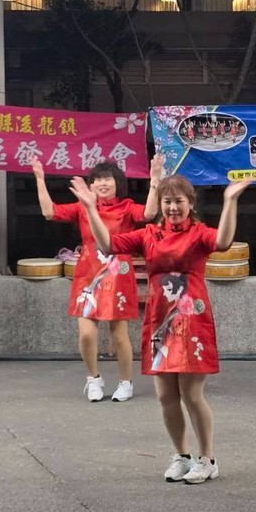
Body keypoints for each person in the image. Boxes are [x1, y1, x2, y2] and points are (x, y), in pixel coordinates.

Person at [70, 170, 251, 484]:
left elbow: (223, 242)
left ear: (190, 203)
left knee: (192, 394)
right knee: (166, 395)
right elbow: (108, 244)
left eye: (178, 201)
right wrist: (89, 207)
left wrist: (230, 201)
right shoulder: (149, 234)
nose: (172, 207)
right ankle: (181, 456)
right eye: (167, 201)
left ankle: (207, 459)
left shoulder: (199, 233)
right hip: (160, 321)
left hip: (191, 321)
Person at [32, 154, 160, 403]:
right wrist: (39, 178)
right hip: (87, 275)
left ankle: (126, 382)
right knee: (86, 335)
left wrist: (154, 180)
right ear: (90, 186)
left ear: (117, 183)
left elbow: (149, 213)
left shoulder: (126, 207)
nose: (102, 183)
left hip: (117, 276)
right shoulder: (83, 207)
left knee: (119, 335)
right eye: (97, 179)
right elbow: (49, 212)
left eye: (107, 179)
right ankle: (93, 378)